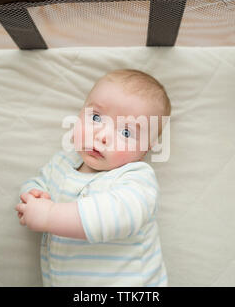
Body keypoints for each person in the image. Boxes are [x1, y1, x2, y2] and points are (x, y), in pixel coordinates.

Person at [15, 69, 171, 286]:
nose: (102, 136)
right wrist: (32, 196)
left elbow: (116, 214)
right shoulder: (63, 163)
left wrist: (50, 215)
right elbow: (38, 183)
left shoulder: (136, 178)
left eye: (126, 133)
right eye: (96, 117)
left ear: (145, 149)